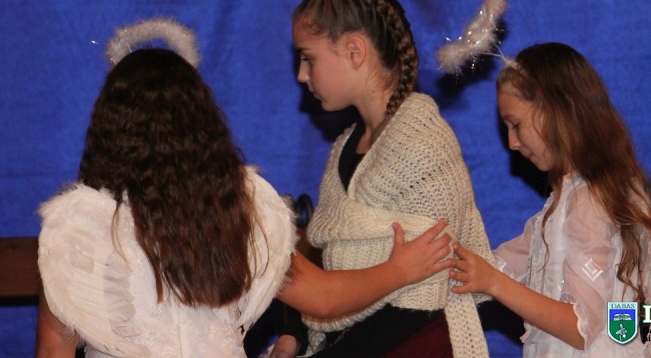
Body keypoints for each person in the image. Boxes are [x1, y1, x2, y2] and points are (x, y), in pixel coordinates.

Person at [35, 23, 454, 358]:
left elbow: (54, 348)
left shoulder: (79, 226)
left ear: (110, 130)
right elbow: (324, 298)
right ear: (200, 125)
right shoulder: (237, 208)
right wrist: (400, 270)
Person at [289, 0, 494, 357]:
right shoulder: (342, 150)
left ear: (354, 51)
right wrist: (297, 336)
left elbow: (423, 299)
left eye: (308, 58)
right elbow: (328, 265)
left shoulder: (425, 142)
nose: (302, 74)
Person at [449, 42, 651, 357]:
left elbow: (579, 326)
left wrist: (493, 283)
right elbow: (501, 265)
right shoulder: (564, 204)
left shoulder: (588, 201)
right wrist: (451, 265)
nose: (512, 143)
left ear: (557, 110)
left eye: (516, 125)